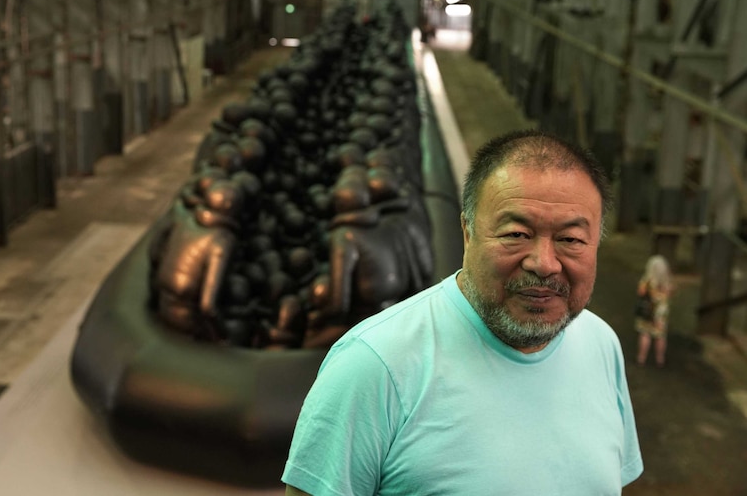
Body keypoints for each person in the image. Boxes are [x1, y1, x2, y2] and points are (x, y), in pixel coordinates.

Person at [282, 129, 643, 495]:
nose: (544, 263)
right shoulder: (374, 367)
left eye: (571, 240)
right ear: (467, 233)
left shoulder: (601, 345)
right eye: (516, 234)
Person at [635, 254, 674, 367]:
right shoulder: (667, 282)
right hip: (661, 312)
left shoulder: (647, 280)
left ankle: (641, 358)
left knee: (645, 333)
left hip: (648, 310)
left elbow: (640, 292)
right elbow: (670, 294)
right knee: (660, 336)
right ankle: (660, 359)